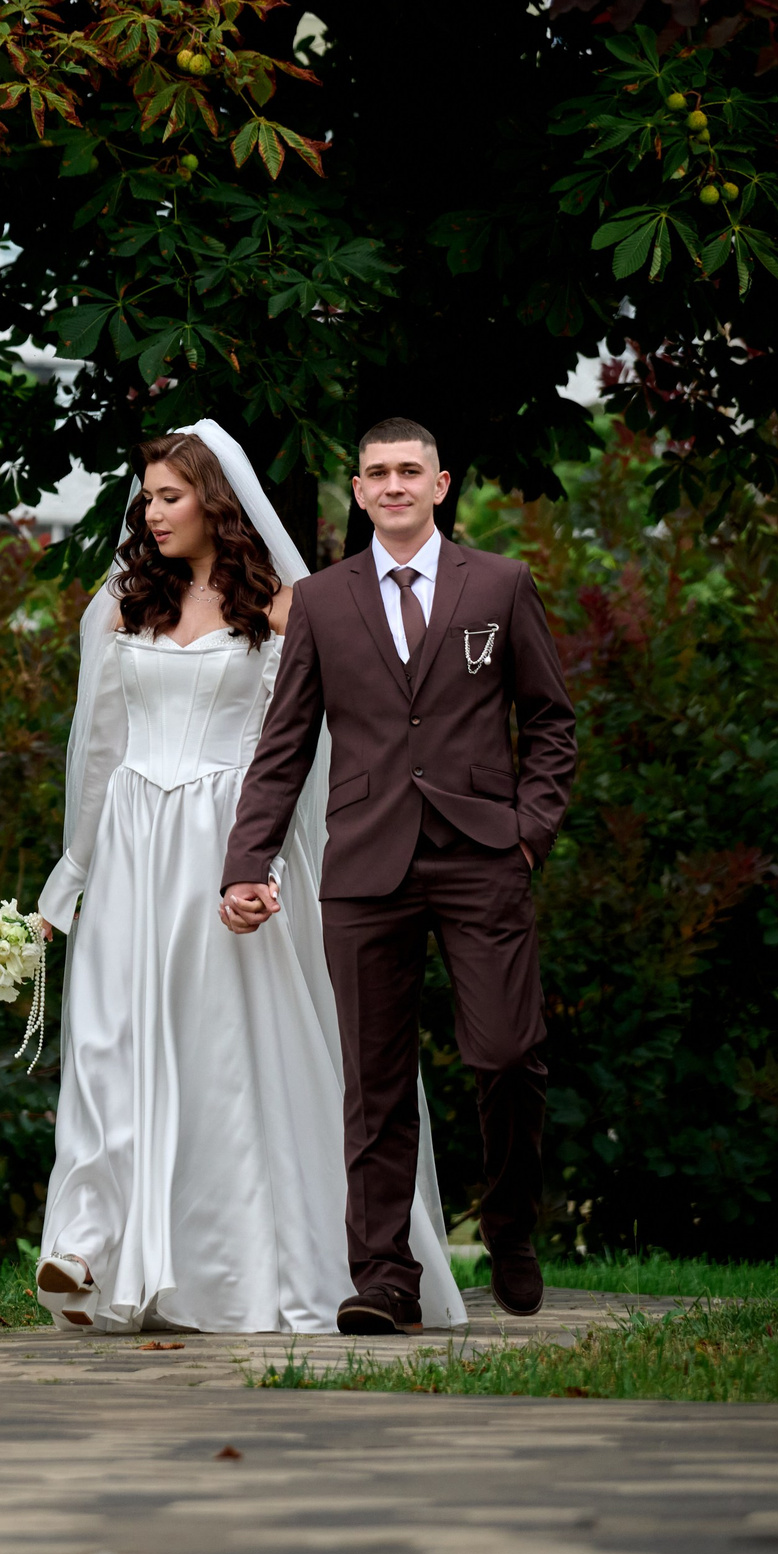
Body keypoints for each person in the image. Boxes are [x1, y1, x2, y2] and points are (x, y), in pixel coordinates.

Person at [30, 421, 466, 1335]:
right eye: (145, 497)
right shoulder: (118, 606)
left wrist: (273, 857)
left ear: (214, 504)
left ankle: (241, 1261)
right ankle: (87, 1243)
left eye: (169, 496)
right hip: (134, 847)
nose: (150, 513)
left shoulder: (281, 610)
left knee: (224, 1053)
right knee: (112, 1038)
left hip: (232, 844)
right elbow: (97, 749)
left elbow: (311, 742)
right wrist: (71, 876)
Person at [220, 417, 577, 1336]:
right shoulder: (326, 601)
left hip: (481, 855)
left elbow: (550, 723)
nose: (393, 485)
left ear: (442, 483)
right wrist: (245, 860)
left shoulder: (499, 585)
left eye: (409, 470)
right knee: (374, 1082)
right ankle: (383, 1277)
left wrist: (529, 832)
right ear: (359, 487)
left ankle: (509, 1220)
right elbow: (285, 741)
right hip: (366, 861)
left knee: (506, 1053)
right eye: (376, 472)